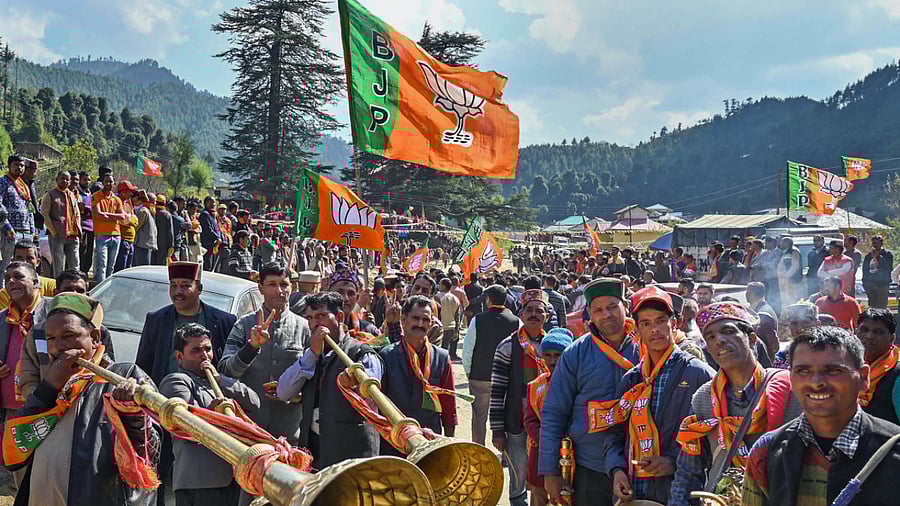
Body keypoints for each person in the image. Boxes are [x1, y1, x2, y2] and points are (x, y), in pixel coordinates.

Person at [4, 293, 160, 506]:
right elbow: (14, 450)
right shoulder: (53, 384)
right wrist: (48, 387)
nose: (57, 346)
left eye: (68, 335)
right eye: (51, 338)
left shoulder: (124, 376)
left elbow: (153, 452)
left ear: (94, 337)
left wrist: (131, 414)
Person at [742, 326, 900, 506]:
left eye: (833, 371)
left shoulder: (894, 448)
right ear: (791, 378)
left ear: (864, 377)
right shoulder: (767, 452)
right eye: (803, 371)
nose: (816, 382)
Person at [669, 302, 802, 506]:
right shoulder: (703, 398)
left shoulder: (791, 390)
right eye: (710, 337)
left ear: (751, 339)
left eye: (728, 331)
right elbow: (689, 469)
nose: (719, 341)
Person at [599, 286, 714, 505]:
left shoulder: (699, 374)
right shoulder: (632, 379)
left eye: (661, 320)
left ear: (675, 323)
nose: (654, 330)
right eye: (646, 323)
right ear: (637, 331)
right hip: (633, 491)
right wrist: (616, 470)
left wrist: (673, 461)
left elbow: (715, 439)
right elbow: (614, 432)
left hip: (678, 493)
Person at [539, 278, 641, 506]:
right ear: (589, 314)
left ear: (626, 306)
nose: (606, 314)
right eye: (599, 309)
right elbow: (554, 412)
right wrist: (549, 470)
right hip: (589, 465)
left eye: (613, 307)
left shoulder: (646, 347)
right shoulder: (575, 353)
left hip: (641, 464)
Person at [219, 261, 310, 505]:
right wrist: (252, 347)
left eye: (284, 284)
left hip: (289, 432)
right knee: (249, 493)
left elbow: (315, 377)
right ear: (260, 288)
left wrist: (298, 395)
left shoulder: (304, 328)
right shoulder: (244, 325)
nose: (279, 291)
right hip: (250, 431)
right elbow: (225, 371)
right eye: (272, 285)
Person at [276, 291, 382, 467]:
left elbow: (370, 390)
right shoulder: (311, 358)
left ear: (339, 316)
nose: (314, 324)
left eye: (321, 317)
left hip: (353, 459)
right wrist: (312, 354)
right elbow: (283, 392)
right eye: (310, 318)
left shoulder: (362, 354)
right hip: (315, 458)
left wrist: (354, 384)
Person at [159, 323, 260, 506]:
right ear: (179, 356)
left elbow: (254, 402)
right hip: (201, 482)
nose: (204, 355)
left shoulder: (218, 381)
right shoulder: (176, 381)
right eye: (196, 351)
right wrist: (217, 413)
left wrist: (220, 379)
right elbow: (186, 422)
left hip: (231, 478)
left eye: (208, 349)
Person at [490, 289, 551, 506]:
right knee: (519, 474)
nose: (534, 315)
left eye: (539, 311)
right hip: (517, 423)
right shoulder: (508, 346)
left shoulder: (554, 347)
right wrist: (497, 430)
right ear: (521, 314)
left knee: (544, 474)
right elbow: (497, 391)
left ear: (547, 316)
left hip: (547, 425)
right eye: (529, 310)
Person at [136, 262, 238, 386]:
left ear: (199, 289)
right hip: (163, 397)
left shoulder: (224, 322)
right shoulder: (156, 320)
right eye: (173, 286)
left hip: (207, 398)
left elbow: (231, 368)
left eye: (185, 286)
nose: (178, 291)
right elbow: (142, 366)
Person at [378, 295, 457, 456]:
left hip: (429, 442)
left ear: (431, 323)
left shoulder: (441, 357)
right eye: (415, 318)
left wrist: (448, 443)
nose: (420, 324)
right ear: (404, 319)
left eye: (425, 320)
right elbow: (378, 403)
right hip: (393, 442)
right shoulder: (386, 356)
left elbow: (449, 405)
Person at [462, 284, 520, 446]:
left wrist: (469, 372)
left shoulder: (478, 320)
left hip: (480, 376)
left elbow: (468, 350)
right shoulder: (516, 322)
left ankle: (479, 449)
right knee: (505, 415)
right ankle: (505, 454)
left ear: (488, 300)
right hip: (506, 378)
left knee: (479, 417)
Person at [524, 328, 573, 506]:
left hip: (572, 457)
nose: (552, 361)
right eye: (548, 355)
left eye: (558, 355)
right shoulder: (535, 386)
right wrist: (548, 439)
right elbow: (529, 420)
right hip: (540, 457)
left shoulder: (579, 384)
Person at [856, 308, 900, 424]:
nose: (869, 336)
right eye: (864, 330)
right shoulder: (847, 366)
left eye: (878, 332)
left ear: (892, 339)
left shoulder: (896, 373)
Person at [0, 155, 36, 287]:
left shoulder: (23, 185)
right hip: (9, 232)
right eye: (16, 165)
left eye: (22, 166)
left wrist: (32, 230)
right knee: (7, 265)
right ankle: (3, 296)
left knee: (24, 267)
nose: (19, 168)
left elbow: (29, 209)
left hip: (26, 231)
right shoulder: (3, 182)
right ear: (9, 166)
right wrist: (8, 228)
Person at [40, 170, 81, 276]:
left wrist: (78, 229)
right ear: (56, 180)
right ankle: (59, 288)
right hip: (57, 235)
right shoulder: (50, 195)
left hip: (73, 235)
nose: (65, 181)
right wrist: (53, 231)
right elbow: (45, 214)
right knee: (58, 266)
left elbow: (77, 214)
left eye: (67, 179)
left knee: (75, 265)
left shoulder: (72, 195)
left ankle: (74, 286)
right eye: (62, 178)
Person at [0, 241, 57, 309]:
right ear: (13, 261)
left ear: (38, 262)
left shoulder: (53, 286)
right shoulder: (4, 294)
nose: (24, 262)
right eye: (19, 258)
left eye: (29, 258)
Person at [91, 174, 127, 282]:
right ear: (102, 182)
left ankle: (107, 290)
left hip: (116, 235)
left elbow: (122, 216)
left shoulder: (117, 199)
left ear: (114, 183)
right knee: (102, 265)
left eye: (111, 181)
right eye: (106, 181)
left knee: (111, 266)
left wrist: (107, 215)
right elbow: (97, 214)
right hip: (102, 235)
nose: (108, 184)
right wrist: (114, 216)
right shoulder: (96, 196)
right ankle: (100, 289)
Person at [113, 180, 139, 272]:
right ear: (123, 192)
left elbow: (135, 219)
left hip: (130, 241)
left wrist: (130, 219)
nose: (131, 194)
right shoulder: (117, 202)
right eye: (129, 191)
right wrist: (130, 219)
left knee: (128, 268)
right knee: (121, 268)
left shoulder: (128, 204)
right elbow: (123, 220)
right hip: (123, 240)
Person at [862, 235, 894, 309]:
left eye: (877, 243)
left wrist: (878, 257)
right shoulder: (868, 256)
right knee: (872, 306)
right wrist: (865, 283)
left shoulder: (888, 254)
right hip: (870, 285)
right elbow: (865, 270)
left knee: (882, 307)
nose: (875, 245)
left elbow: (888, 268)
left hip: (882, 285)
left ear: (881, 244)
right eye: (874, 243)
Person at [436, 278, 461, 358]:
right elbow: (457, 316)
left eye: (440, 284)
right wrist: (457, 330)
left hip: (439, 327)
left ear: (443, 286)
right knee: (445, 349)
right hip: (451, 327)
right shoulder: (455, 299)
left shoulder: (437, 297)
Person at [133, 190, 158, 267]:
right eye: (154, 202)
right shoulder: (143, 211)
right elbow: (136, 227)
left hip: (147, 245)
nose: (155, 204)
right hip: (142, 245)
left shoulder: (150, 211)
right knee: (141, 268)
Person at [777, 236, 803, 307]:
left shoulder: (794, 251)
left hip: (792, 280)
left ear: (787, 243)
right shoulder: (785, 252)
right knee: (786, 300)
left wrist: (786, 276)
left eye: (782, 242)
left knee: (792, 299)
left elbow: (795, 266)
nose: (780, 244)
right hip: (786, 281)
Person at [199, 196, 222, 272]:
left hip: (213, 245)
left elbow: (217, 228)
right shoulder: (204, 214)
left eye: (214, 202)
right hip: (206, 245)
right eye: (211, 202)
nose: (213, 204)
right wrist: (217, 237)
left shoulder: (213, 215)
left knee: (212, 267)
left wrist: (219, 237)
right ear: (206, 204)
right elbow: (207, 229)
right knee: (207, 267)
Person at [77, 171, 94, 275]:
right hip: (82, 227)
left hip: (91, 228)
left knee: (89, 253)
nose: (87, 182)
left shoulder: (90, 194)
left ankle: (85, 273)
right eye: (84, 179)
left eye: (88, 180)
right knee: (81, 253)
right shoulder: (77, 194)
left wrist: (87, 208)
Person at [154, 194, 174, 265]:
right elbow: (170, 231)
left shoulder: (152, 212)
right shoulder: (166, 214)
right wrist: (171, 245)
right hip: (163, 244)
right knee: (161, 265)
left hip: (152, 243)